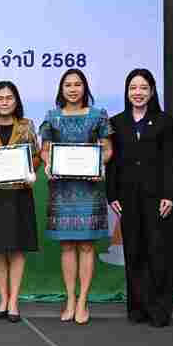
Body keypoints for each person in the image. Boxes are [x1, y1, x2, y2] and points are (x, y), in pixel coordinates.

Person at [40, 68, 112, 325]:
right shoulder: (52, 117)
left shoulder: (98, 116)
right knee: (67, 246)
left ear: (85, 88)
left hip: (89, 189)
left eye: (77, 84)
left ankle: (83, 301)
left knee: (87, 245)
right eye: (68, 84)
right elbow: (45, 150)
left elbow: (107, 149)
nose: (73, 89)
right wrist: (49, 164)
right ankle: (70, 299)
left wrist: (99, 165)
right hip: (62, 191)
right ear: (61, 89)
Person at [107, 68, 173, 327]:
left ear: (152, 91)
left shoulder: (164, 121)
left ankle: (159, 310)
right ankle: (137, 309)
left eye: (143, 88)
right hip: (127, 198)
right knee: (134, 252)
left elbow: (170, 161)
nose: (138, 93)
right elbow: (112, 164)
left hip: (156, 197)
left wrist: (169, 194)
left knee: (158, 252)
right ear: (127, 92)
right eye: (133, 88)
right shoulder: (116, 122)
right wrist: (112, 194)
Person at [0, 81, 41, 323]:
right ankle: (3, 299)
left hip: (19, 194)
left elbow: (36, 156)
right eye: (0, 98)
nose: (4, 102)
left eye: (9, 98)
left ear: (16, 101)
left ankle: (14, 301)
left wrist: (30, 171)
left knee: (17, 249)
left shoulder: (27, 125)